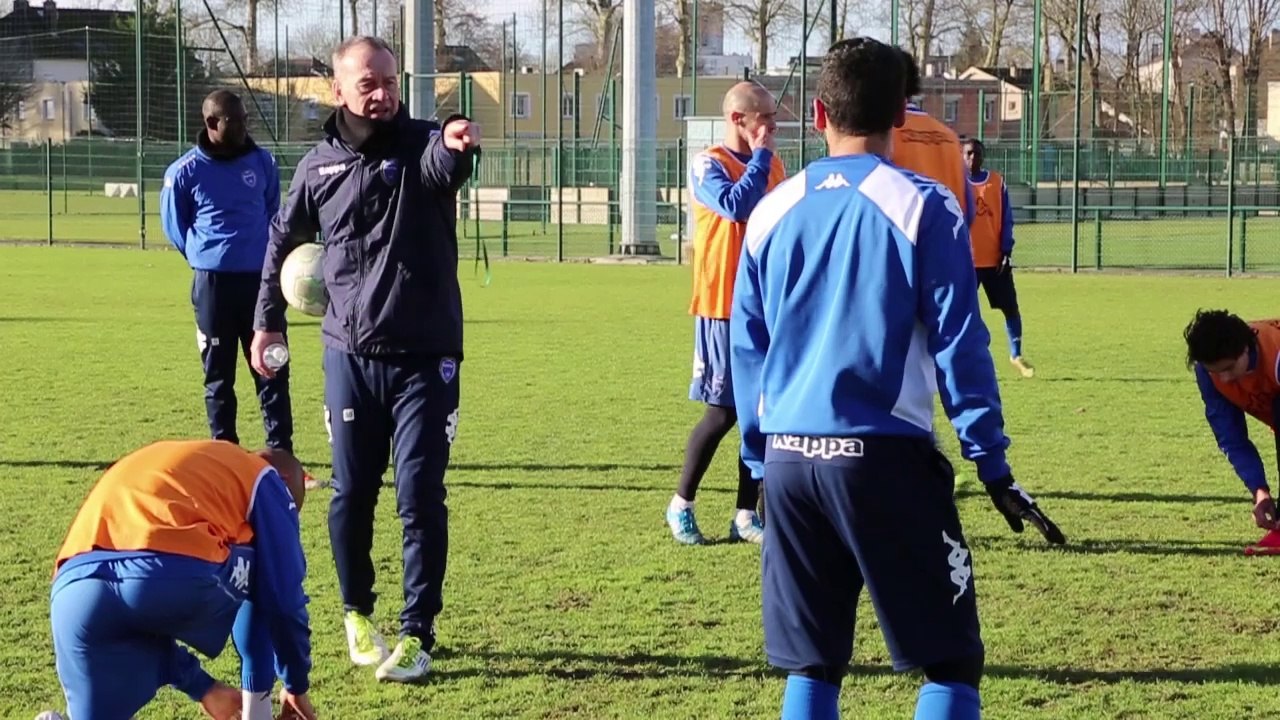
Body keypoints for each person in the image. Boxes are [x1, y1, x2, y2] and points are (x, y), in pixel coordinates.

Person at [729, 38, 1065, 720]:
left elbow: (748, 348)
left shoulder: (770, 209)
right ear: (900, 117)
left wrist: (759, 457)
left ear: (818, 111)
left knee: (815, 663)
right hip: (884, 457)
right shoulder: (926, 205)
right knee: (950, 664)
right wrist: (991, 463)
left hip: (791, 463)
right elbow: (960, 343)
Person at [250, 35, 480, 684]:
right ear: (339, 91)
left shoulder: (422, 143)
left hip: (426, 359)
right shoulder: (317, 167)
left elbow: (446, 164)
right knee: (351, 493)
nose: (381, 95)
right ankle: (356, 613)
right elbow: (281, 241)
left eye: (389, 81)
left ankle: (417, 631)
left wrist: (458, 142)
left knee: (419, 495)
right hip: (349, 356)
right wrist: (266, 321)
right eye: (367, 85)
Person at [40, 440, 316, 720]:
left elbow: (134, 603)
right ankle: (258, 713)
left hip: (72, 594)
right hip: (162, 574)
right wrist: (295, 683)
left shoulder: (204, 467)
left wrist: (204, 687)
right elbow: (282, 598)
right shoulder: (264, 477)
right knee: (267, 564)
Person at [667, 81, 787, 546]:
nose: (772, 128)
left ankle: (744, 514)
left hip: (765, 306)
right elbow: (736, 207)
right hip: (720, 306)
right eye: (765, 119)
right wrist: (759, 158)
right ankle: (681, 504)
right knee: (722, 413)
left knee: (761, 412)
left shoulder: (774, 166)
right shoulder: (708, 163)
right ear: (739, 119)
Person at [160, 89, 294, 453]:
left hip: (261, 284)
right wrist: (208, 255)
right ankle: (225, 453)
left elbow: (270, 214)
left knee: (272, 366)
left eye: (246, 118)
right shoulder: (184, 173)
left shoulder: (262, 163)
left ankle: (281, 452)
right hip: (213, 286)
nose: (246, 126)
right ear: (212, 123)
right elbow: (175, 227)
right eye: (238, 121)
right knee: (219, 375)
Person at [1184, 310, 1280, 531]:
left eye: (1228, 368)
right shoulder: (1208, 373)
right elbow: (1231, 437)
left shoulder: (1276, 354)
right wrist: (1259, 489)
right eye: (1215, 372)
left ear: (1245, 348)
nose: (1224, 378)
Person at [964, 139, 1034, 378]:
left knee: (1011, 309)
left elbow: (1006, 219)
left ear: (983, 156)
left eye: (977, 154)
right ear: (962, 156)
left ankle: (1016, 354)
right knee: (962, 313)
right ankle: (968, 359)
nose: (973, 158)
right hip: (966, 263)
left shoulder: (996, 182)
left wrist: (1006, 250)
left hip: (995, 262)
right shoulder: (956, 182)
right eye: (969, 154)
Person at [891, 49, 975, 227]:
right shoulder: (950, 137)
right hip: (950, 243)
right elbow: (970, 209)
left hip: (905, 245)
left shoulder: (883, 136)